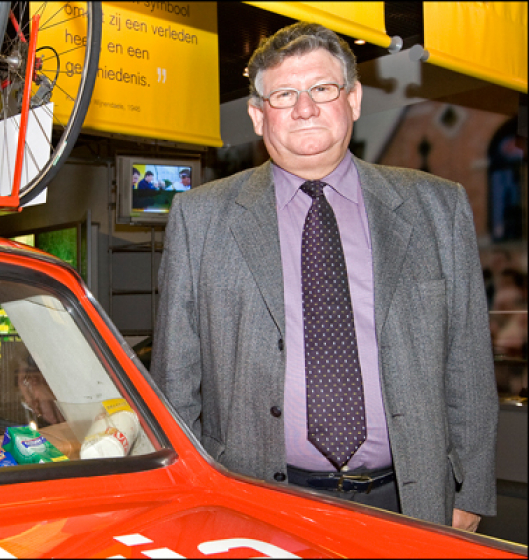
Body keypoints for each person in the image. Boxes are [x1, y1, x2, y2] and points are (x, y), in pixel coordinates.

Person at [151, 22, 497, 532]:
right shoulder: (199, 217)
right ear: (257, 115)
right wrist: (184, 498)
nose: (305, 108)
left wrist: (471, 491)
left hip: (413, 500)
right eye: (284, 94)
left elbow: (468, 362)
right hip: (253, 501)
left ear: (353, 100)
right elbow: (175, 381)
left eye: (322, 88)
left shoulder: (437, 207)